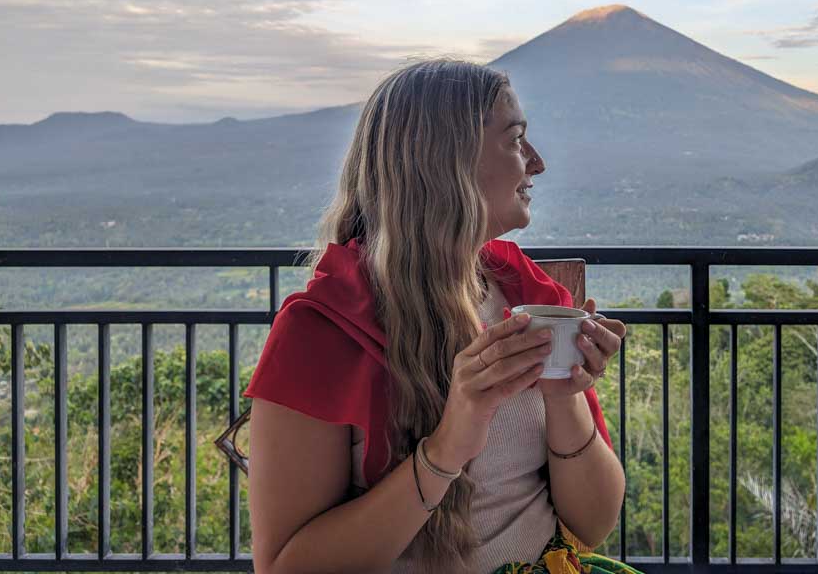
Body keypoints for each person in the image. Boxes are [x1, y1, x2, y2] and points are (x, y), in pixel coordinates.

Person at [244, 60, 641, 573]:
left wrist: (564, 396)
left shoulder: (528, 296)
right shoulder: (322, 331)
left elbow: (592, 524)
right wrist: (450, 442)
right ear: (446, 161)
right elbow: (285, 568)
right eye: (516, 139)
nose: (536, 163)